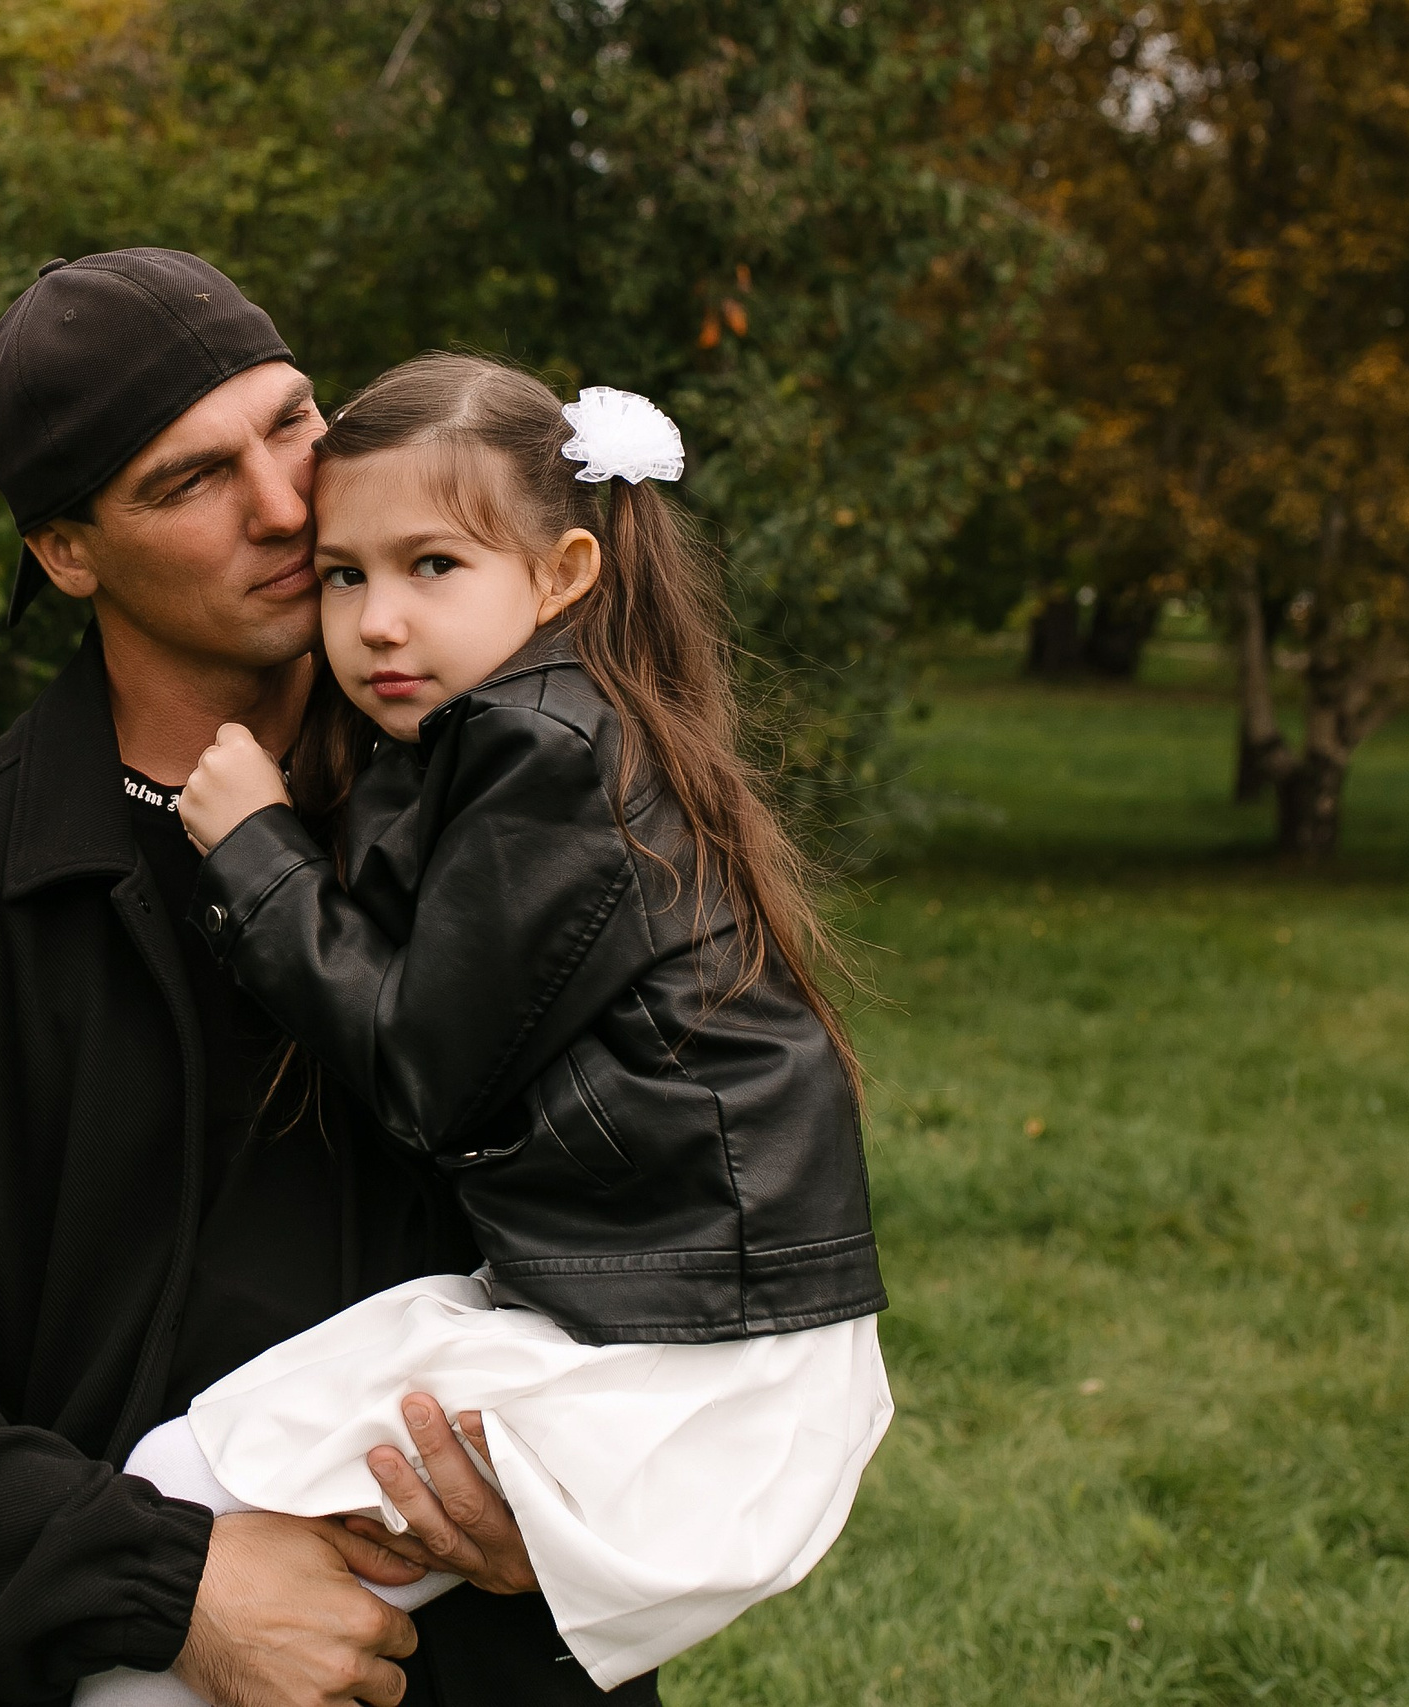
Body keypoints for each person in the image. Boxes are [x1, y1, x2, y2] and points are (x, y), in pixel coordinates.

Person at [0, 251, 660, 1707]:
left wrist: (578, 1480)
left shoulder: (541, 816)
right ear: (67, 553)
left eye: (292, 422)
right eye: (188, 480)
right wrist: (163, 1584)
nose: (283, 503)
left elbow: (714, 1184)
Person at [73, 354, 893, 1700]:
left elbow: (422, 1072)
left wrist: (257, 855)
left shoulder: (547, 756)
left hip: (693, 1348)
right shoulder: (528, 729)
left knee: (185, 1504)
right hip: (664, 1306)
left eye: (433, 568)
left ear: (565, 574)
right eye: (345, 575)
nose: (380, 622)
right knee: (204, 1516)